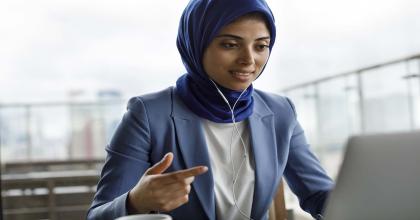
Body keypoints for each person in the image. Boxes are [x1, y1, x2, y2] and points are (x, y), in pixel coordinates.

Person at [87, 0, 334, 219]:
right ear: (196, 44)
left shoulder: (281, 112)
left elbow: (318, 194)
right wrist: (135, 202)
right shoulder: (148, 115)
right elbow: (98, 215)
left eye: (260, 46)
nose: (249, 60)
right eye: (230, 45)